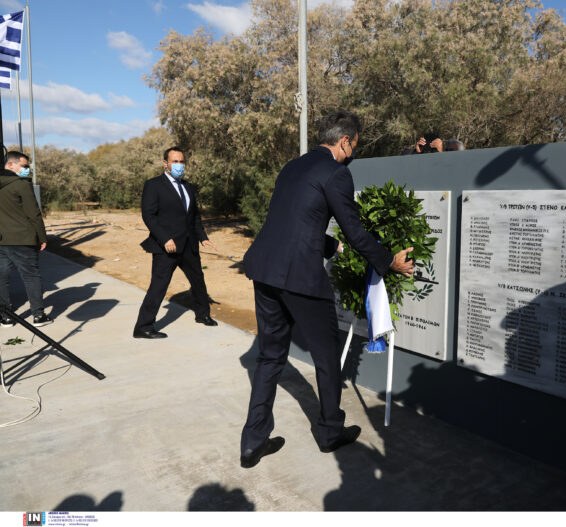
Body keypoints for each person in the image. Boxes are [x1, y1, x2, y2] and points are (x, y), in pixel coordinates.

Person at [239, 110, 415, 468]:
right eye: (355, 145)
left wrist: (329, 245)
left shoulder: (292, 167)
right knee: (327, 354)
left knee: (270, 357)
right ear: (344, 141)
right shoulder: (336, 173)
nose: (353, 153)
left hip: (265, 270)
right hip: (300, 277)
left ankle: (252, 442)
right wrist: (388, 262)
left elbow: (291, 221)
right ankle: (330, 431)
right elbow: (354, 229)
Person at [133, 146, 217, 339]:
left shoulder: (188, 187)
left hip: (189, 245)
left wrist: (203, 237)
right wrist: (165, 238)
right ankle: (143, 327)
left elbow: (194, 216)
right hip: (167, 247)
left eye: (182, 161)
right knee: (159, 286)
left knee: (198, 281)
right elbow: (149, 216)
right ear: (166, 164)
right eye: (175, 161)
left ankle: (203, 314)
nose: (179, 165)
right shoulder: (154, 185)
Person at [0, 151, 52, 327]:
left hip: (2, 240)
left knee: (2, 277)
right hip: (23, 239)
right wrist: (42, 237)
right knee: (31, 276)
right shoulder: (21, 185)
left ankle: (6, 316)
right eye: (23, 166)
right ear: (10, 165)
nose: (27, 169)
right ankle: (38, 315)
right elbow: (34, 214)